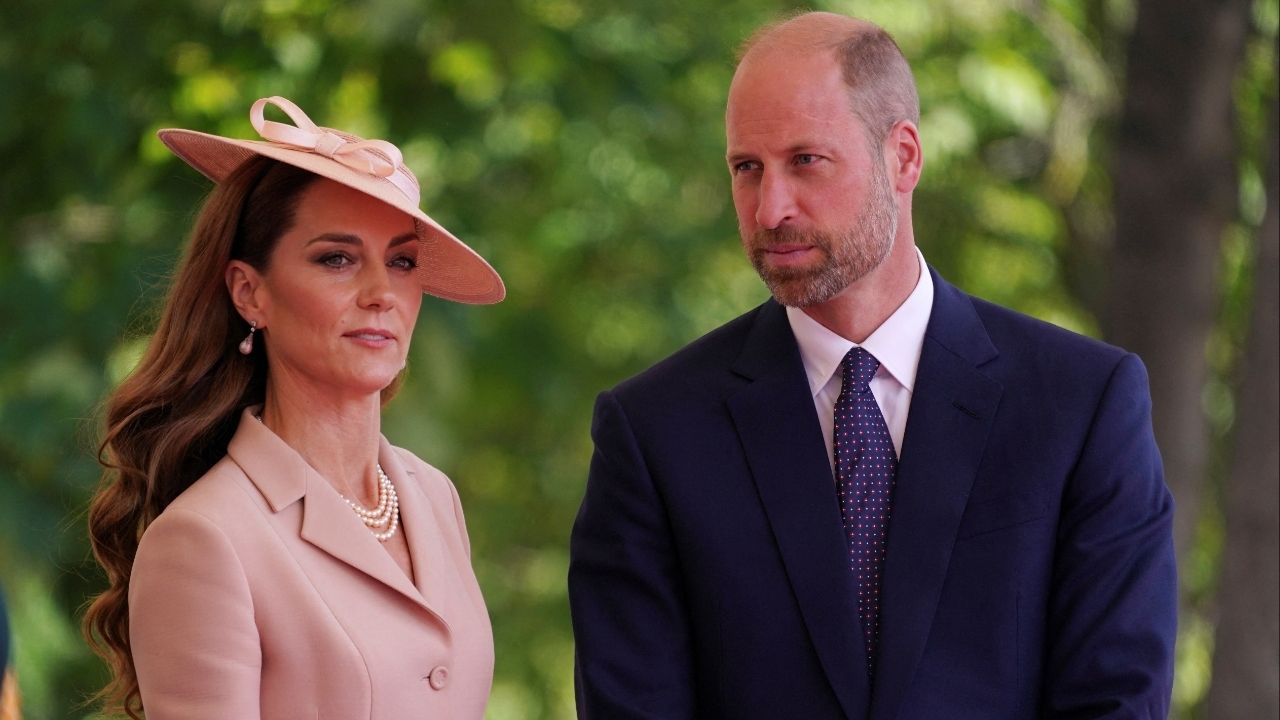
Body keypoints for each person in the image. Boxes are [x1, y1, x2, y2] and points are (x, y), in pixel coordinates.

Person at [568, 12, 1177, 719]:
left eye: (806, 160)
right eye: (747, 168)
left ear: (905, 158)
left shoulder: (1081, 403)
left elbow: (1117, 699)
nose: (771, 208)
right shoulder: (654, 432)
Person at [83, 96, 504, 720]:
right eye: (337, 258)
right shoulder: (204, 538)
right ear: (249, 293)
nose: (381, 294)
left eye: (402, 261)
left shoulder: (434, 495)